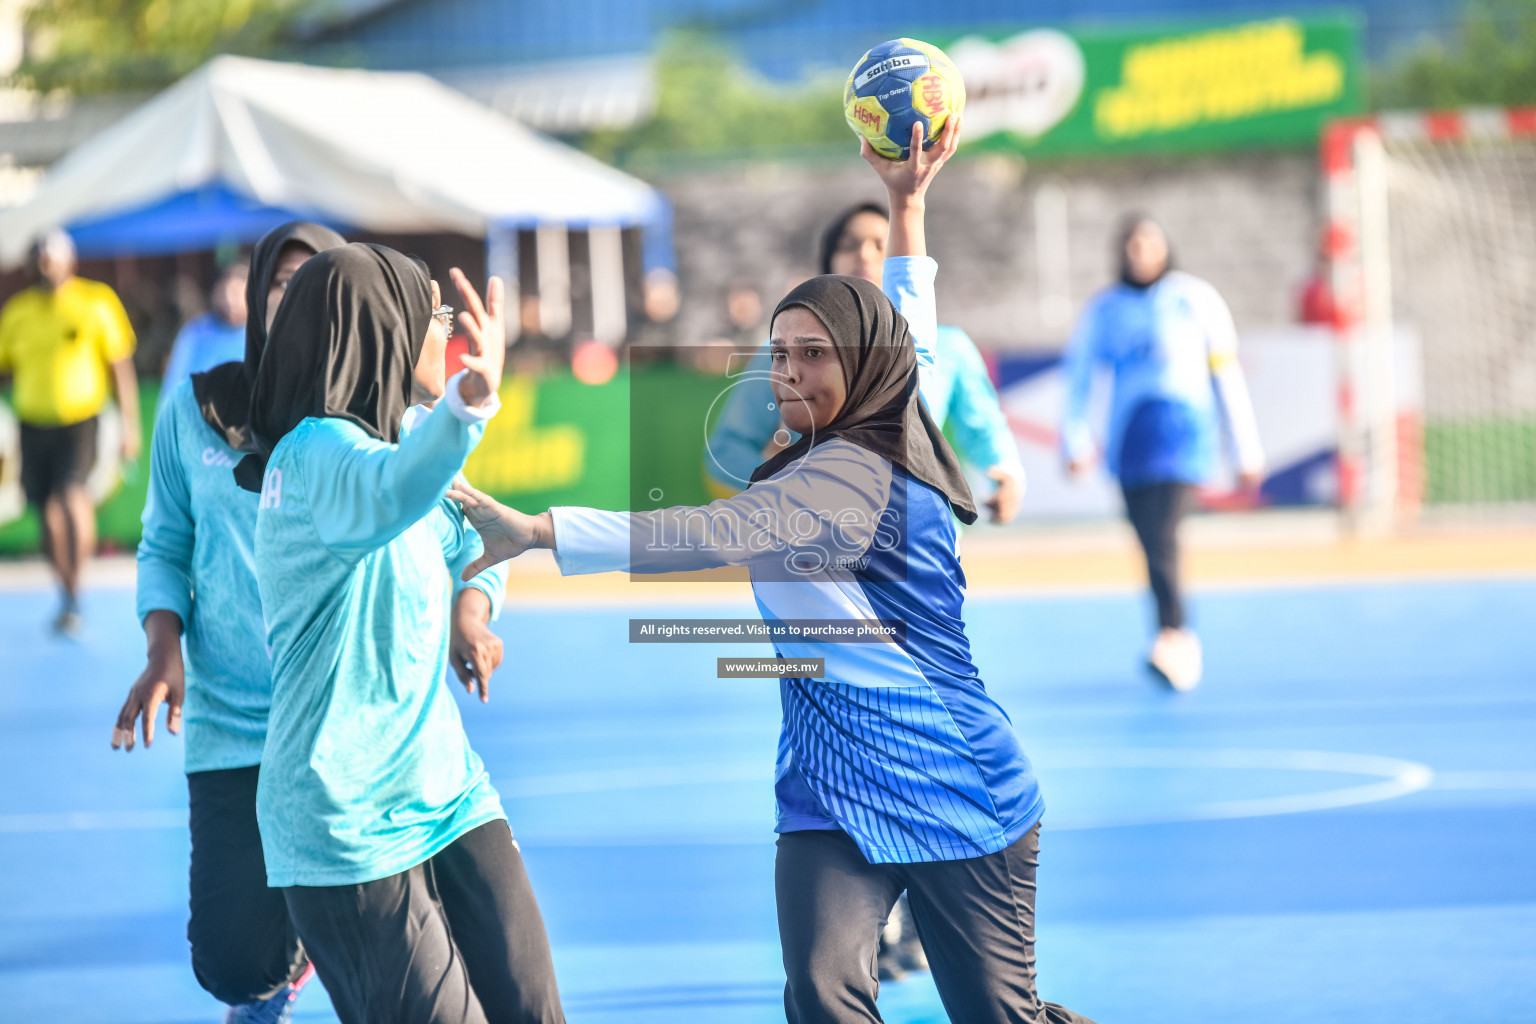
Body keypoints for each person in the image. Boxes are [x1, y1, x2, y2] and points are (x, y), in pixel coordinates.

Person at [450, 119, 1093, 1024]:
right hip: (829, 791)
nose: (786, 372)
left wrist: (539, 530)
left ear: (865, 364)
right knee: (823, 1003)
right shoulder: (870, 416)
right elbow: (914, 315)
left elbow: (703, 532)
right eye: (780, 353)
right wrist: (907, 204)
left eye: (814, 354)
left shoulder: (857, 470)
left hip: (955, 782)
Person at [112, 222, 512, 1024]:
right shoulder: (199, 411)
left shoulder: (392, 427)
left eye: (316, 282)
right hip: (238, 723)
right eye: (280, 284)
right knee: (235, 966)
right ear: (259, 303)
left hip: (364, 734)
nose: (294, 297)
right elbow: (164, 543)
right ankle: (292, 961)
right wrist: (164, 649)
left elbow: (473, 533)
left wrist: (473, 608)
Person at [243, 243, 561, 1024]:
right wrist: (470, 403)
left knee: (534, 1011)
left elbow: (482, 540)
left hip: (447, 790)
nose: (448, 329)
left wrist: (471, 608)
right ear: (383, 326)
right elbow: (389, 494)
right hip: (345, 817)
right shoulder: (316, 455)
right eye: (437, 314)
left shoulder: (402, 439)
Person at [705, 202, 1024, 527]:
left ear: (905, 261)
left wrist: (1006, 471)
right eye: (848, 245)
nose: (865, 255)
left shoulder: (949, 347)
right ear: (826, 265)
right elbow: (725, 452)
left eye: (882, 244)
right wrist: (787, 487)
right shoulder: (779, 352)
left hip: (917, 547)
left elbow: (984, 428)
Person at [1059, 216, 1265, 691]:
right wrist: (1076, 439)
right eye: (1131, 242)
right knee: (1149, 541)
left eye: (1148, 241)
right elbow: (1080, 376)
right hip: (1132, 440)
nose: (1140, 249)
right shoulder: (1105, 309)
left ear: (1164, 247)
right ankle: (1171, 634)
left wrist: (1245, 448)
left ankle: (1176, 637)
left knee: (1164, 535)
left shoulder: (1195, 299)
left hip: (1183, 434)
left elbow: (1226, 375)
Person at [0, 228, 140, 634]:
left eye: (52, 260)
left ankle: (78, 584)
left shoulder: (94, 303)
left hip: (80, 420)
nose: (46, 268)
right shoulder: (18, 312)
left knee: (72, 493)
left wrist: (129, 422)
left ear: (69, 262)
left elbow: (120, 367)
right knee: (46, 509)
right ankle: (67, 592)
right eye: (39, 261)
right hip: (33, 423)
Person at [159, 259, 250, 404]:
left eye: (236, 293)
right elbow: (174, 384)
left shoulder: (265, 334)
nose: (230, 301)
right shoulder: (195, 333)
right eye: (226, 292)